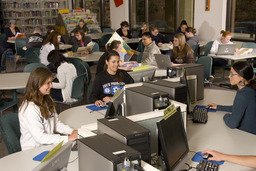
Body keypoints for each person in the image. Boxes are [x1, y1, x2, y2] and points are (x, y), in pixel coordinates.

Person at [19, 67, 78, 150]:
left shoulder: (47, 99)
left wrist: (71, 131)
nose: (51, 85)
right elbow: (40, 138)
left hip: (47, 145)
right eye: (48, 83)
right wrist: (67, 138)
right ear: (38, 84)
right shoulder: (29, 109)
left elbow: (56, 124)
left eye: (51, 82)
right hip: (33, 151)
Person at [207, 61, 256, 135]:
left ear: (241, 77)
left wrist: (226, 116)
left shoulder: (243, 95)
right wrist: (219, 107)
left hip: (247, 136)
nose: (229, 76)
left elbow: (232, 124)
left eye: (232, 74)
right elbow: (238, 108)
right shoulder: (248, 89)